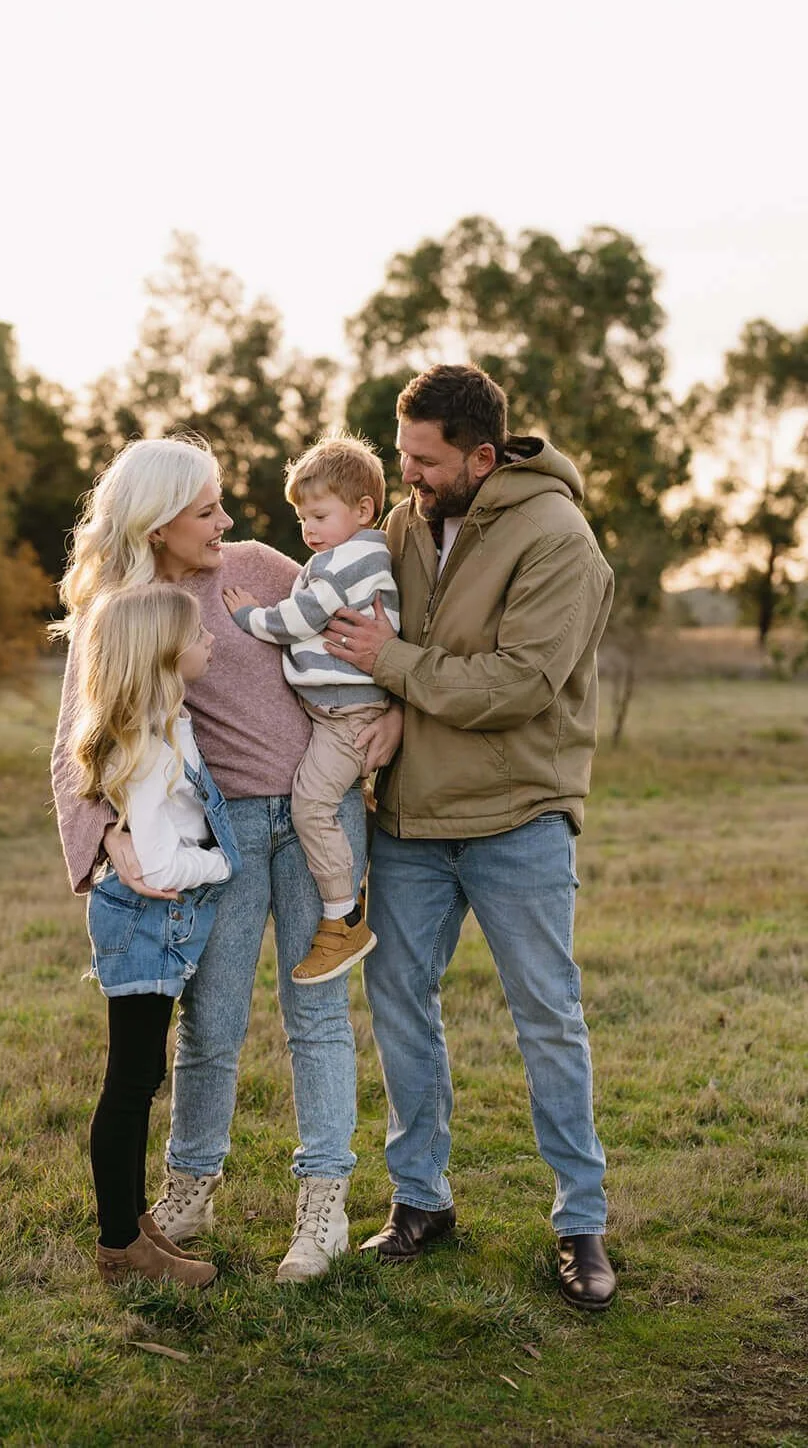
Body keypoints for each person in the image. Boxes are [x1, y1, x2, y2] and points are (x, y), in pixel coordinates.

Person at [51, 437, 401, 1283]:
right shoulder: (125, 610)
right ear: (158, 522)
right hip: (229, 831)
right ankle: (192, 1185)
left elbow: (368, 627)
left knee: (314, 1013)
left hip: (321, 810)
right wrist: (105, 838)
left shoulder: (261, 566)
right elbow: (77, 740)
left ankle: (322, 1204)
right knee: (210, 1022)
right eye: (207, 509)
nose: (228, 521)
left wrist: (396, 712)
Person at [326, 364, 618, 1311]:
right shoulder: (409, 522)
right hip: (408, 818)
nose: (403, 473)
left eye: (422, 458)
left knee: (548, 1017)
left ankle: (581, 1221)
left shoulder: (557, 539)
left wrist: (393, 665)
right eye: (401, 453)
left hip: (519, 818)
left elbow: (518, 684)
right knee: (401, 1004)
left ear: (482, 457)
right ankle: (421, 1202)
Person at [66, 582, 239, 1286]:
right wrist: (221, 860)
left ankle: (134, 1223)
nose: (210, 643)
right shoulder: (147, 747)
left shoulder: (166, 722)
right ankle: (119, 1246)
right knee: (131, 1079)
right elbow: (163, 862)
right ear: (165, 655)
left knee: (142, 1074)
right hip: (145, 921)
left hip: (150, 923)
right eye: (197, 637)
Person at [222, 435, 400, 985]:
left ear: (364, 509)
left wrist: (250, 616)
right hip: (339, 714)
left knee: (311, 808)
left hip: (347, 717)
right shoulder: (355, 556)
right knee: (322, 798)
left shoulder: (343, 565)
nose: (309, 530)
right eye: (303, 518)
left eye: (320, 515)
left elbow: (297, 619)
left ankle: (342, 917)